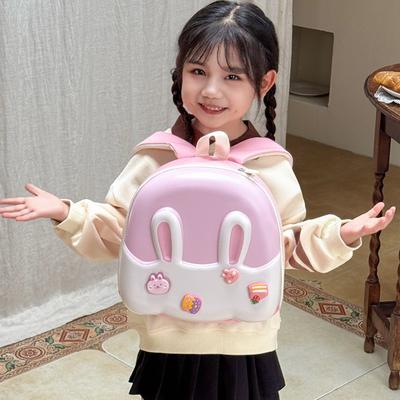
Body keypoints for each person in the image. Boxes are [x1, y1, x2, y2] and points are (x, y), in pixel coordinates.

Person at [0, 1, 395, 399]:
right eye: (198, 71)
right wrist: (66, 212)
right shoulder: (157, 156)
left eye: (232, 76)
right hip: (168, 336)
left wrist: (341, 234)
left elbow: (286, 244)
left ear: (264, 81)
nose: (210, 90)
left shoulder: (268, 164)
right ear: (180, 71)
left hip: (243, 342)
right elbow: (120, 231)